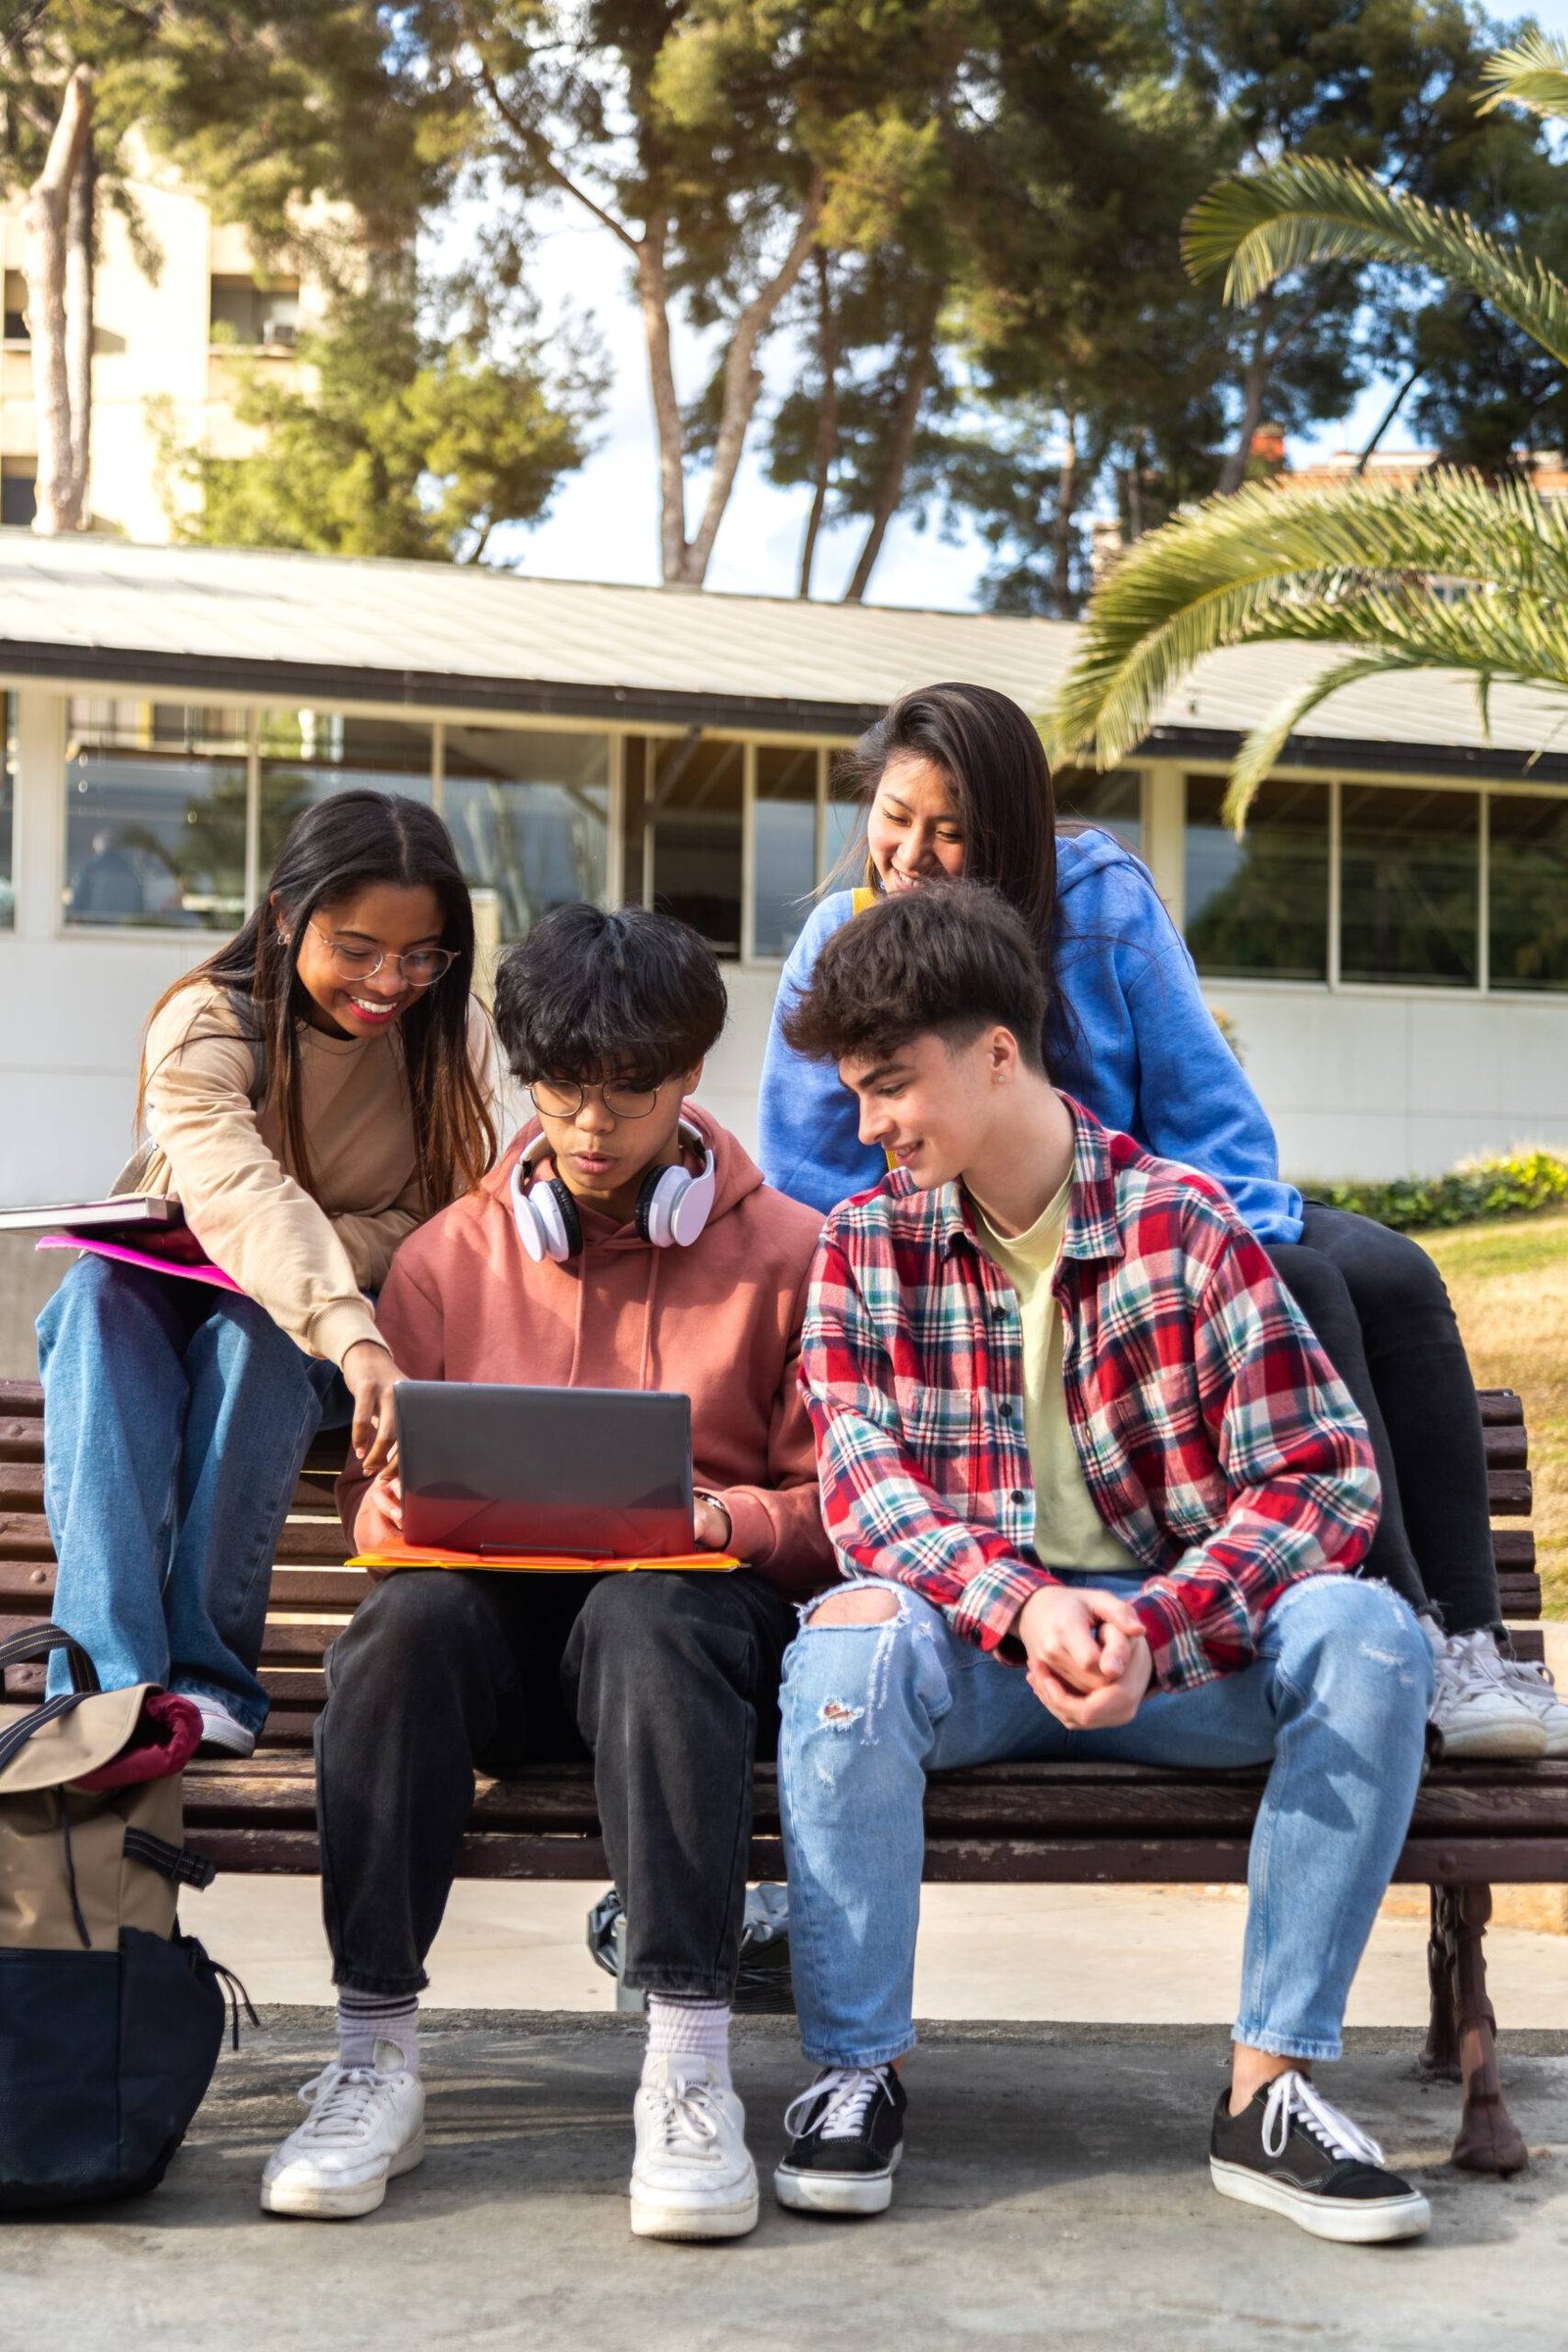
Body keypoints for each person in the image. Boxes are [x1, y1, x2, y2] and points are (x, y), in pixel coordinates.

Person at [770, 880, 1435, 2244]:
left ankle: (1271, 2092)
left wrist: (1166, 1624)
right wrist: (1026, 1610)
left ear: (1000, 1052)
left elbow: (1326, 1470)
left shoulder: (1181, 1227)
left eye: (892, 1086)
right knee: (851, 1630)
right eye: (857, 1093)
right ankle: (855, 2073)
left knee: (1370, 1637)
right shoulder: (861, 1248)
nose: (870, 1125)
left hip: (1185, 1665)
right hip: (975, 1660)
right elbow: (865, 1494)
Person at [760, 681, 1566, 1762]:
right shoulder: (837, 941)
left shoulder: (1096, 896)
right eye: (895, 819)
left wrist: (1209, 1241)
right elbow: (811, 1173)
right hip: (965, 1243)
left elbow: (1204, 1104)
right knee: (1311, 1289)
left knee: (1393, 1272)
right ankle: (1401, 1625)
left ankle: (1469, 1646)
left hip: (1150, 1209)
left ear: (1009, 831)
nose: (910, 853)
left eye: (950, 832)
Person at [260, 904, 833, 2238]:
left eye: (628, 1094)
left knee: (653, 1613)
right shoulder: (448, 1258)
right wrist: (397, 1497)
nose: (590, 1126)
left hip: (695, 1651)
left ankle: (688, 2068)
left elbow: (837, 1513)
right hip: (508, 1656)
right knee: (401, 1629)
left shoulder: (793, 1255)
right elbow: (366, 1510)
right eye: (564, 1091)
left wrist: (724, 1523)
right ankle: (372, 2058)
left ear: (690, 1079)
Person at [40, 789, 495, 1757]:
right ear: (287, 916)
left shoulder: (450, 1038)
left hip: (316, 1350)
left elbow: (439, 1222)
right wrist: (331, 1288)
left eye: (422, 955)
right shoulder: (207, 1022)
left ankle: (209, 1683)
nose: (391, 981)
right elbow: (240, 1194)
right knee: (90, 1299)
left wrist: (335, 1305)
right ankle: (103, 1687)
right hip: (173, 1310)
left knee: (257, 1326)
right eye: (359, 948)